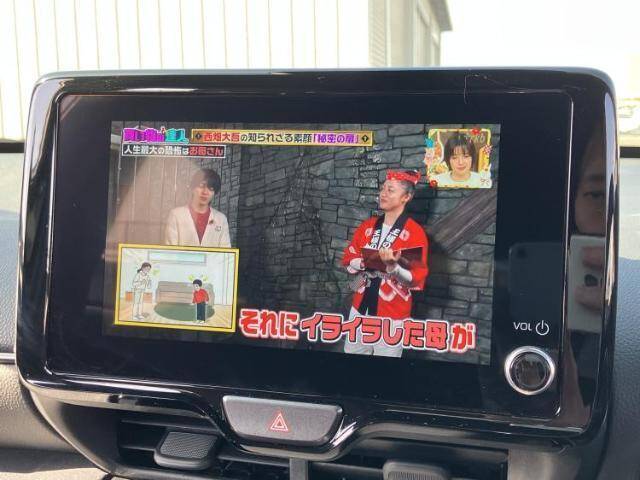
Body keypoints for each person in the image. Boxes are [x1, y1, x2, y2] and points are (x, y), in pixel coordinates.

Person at [341, 169, 429, 357]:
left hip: (393, 313)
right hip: (359, 307)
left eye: (390, 190)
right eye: (382, 188)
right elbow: (349, 258)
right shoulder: (368, 226)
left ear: (406, 197)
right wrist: (364, 263)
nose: (383, 193)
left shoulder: (414, 233)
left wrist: (393, 267)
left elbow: (415, 279)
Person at [165, 169, 231, 247]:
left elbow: (225, 251)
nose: (205, 192)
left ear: (214, 193)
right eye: (201, 186)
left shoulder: (221, 219)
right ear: (193, 188)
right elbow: (170, 250)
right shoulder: (176, 215)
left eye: (211, 189)